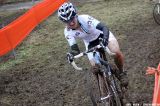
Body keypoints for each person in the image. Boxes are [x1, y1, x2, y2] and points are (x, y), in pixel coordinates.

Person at [57, 2, 128, 88]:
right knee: (96, 69)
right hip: (90, 43)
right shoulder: (67, 32)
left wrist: (105, 38)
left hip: (102, 35)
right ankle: (106, 92)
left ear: (76, 15)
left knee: (116, 52)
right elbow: (75, 50)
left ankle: (121, 72)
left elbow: (104, 27)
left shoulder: (85, 19)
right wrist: (71, 54)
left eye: (72, 19)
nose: (71, 23)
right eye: (67, 21)